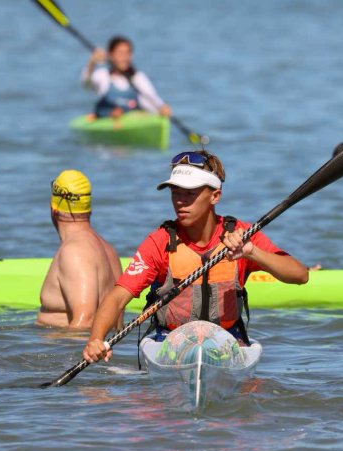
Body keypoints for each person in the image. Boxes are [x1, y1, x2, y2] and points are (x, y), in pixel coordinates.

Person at [82, 151, 309, 363]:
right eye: (175, 193)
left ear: (215, 196)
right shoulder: (160, 242)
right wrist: (96, 338)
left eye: (190, 194)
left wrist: (252, 253)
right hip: (169, 341)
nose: (180, 201)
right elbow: (117, 297)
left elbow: (300, 276)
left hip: (226, 339)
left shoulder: (241, 235)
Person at [37, 170, 123, 329]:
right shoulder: (109, 251)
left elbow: (85, 322)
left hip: (65, 352)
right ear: (88, 209)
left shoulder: (75, 253)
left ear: (53, 208)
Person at [80, 35, 172, 120]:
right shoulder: (102, 76)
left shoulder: (137, 78)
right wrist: (92, 62)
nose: (124, 57)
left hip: (131, 119)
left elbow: (151, 97)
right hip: (108, 118)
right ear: (111, 55)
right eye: (120, 53)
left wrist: (161, 107)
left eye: (127, 53)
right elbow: (86, 85)